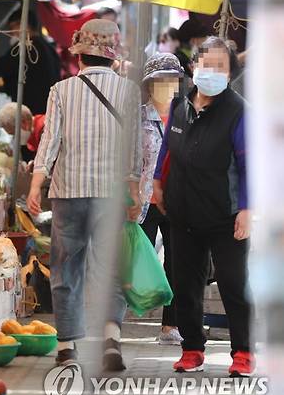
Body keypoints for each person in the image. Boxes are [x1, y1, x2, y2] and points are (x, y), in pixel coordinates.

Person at [27, 19, 142, 371]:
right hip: (110, 194)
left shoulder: (61, 91)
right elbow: (133, 148)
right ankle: (110, 339)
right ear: (113, 57)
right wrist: (134, 189)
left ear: (80, 57)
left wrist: (35, 185)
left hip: (70, 193)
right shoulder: (129, 92)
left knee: (66, 268)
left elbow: (49, 143)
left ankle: (66, 346)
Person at [152, 37, 252, 376]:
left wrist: (247, 209)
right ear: (194, 66)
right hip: (183, 211)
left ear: (230, 73)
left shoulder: (238, 111)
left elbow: (249, 163)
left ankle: (243, 353)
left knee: (233, 283)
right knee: (185, 284)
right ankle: (191, 348)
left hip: (225, 214)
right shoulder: (180, 105)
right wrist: (157, 184)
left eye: (220, 66)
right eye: (206, 63)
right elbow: (167, 149)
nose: (211, 71)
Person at [138, 53, 184, 345]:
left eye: (172, 80)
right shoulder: (138, 118)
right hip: (143, 202)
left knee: (178, 264)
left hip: (179, 201)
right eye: (160, 80)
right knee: (136, 262)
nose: (167, 86)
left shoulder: (188, 116)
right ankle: (113, 326)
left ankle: (170, 326)